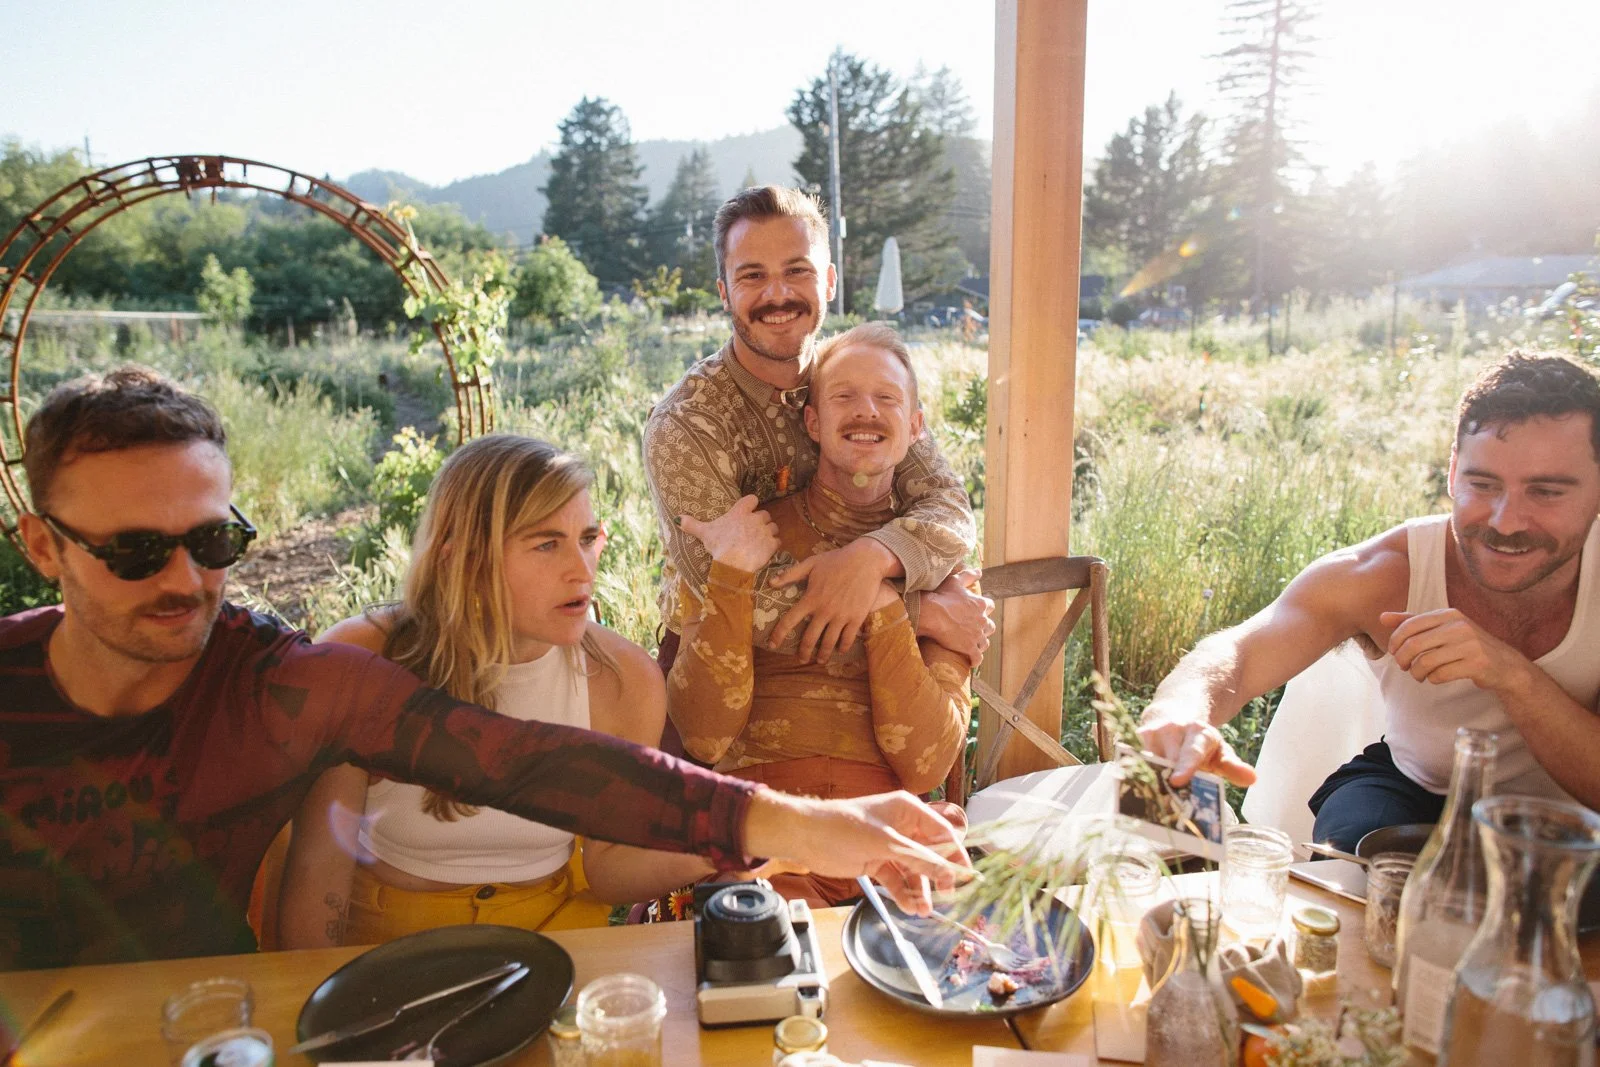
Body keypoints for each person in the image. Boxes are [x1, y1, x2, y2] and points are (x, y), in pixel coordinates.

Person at [0, 367, 968, 970]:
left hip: (219, 1008)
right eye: (135, 551)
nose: (185, 579)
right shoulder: (352, 654)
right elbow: (317, 900)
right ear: (42, 546)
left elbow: (533, 766)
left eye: (215, 539)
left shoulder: (279, 682)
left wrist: (803, 831)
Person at [1137, 353, 1600, 850]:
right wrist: (1180, 710)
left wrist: (1510, 673)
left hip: (1572, 814)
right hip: (1412, 788)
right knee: (1363, 853)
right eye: (1482, 485)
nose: (1506, 522)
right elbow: (1242, 651)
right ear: (1451, 472)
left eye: (1546, 492)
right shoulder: (1381, 573)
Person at [277, 436, 723, 948]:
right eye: (546, 544)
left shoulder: (624, 680)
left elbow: (606, 869)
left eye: (585, 538)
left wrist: (732, 841)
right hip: (390, 940)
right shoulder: (362, 659)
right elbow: (318, 870)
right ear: (461, 559)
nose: (582, 570)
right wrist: (312, 1008)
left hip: (556, 935)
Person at [667, 323, 973, 906]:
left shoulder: (939, 563)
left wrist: (884, 606)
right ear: (812, 423)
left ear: (915, 428)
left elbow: (927, 760)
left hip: (894, 840)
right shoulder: (749, 537)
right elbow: (704, 737)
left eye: (887, 398)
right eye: (843, 397)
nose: (866, 412)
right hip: (766, 838)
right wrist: (732, 577)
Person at [643, 186, 992, 684]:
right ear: (723, 291)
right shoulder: (686, 424)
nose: (777, 294)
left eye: (797, 271)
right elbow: (744, 596)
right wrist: (926, 614)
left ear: (828, 281)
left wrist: (872, 556)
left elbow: (948, 507)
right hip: (725, 671)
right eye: (752, 276)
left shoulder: (859, 381)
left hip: (870, 665)